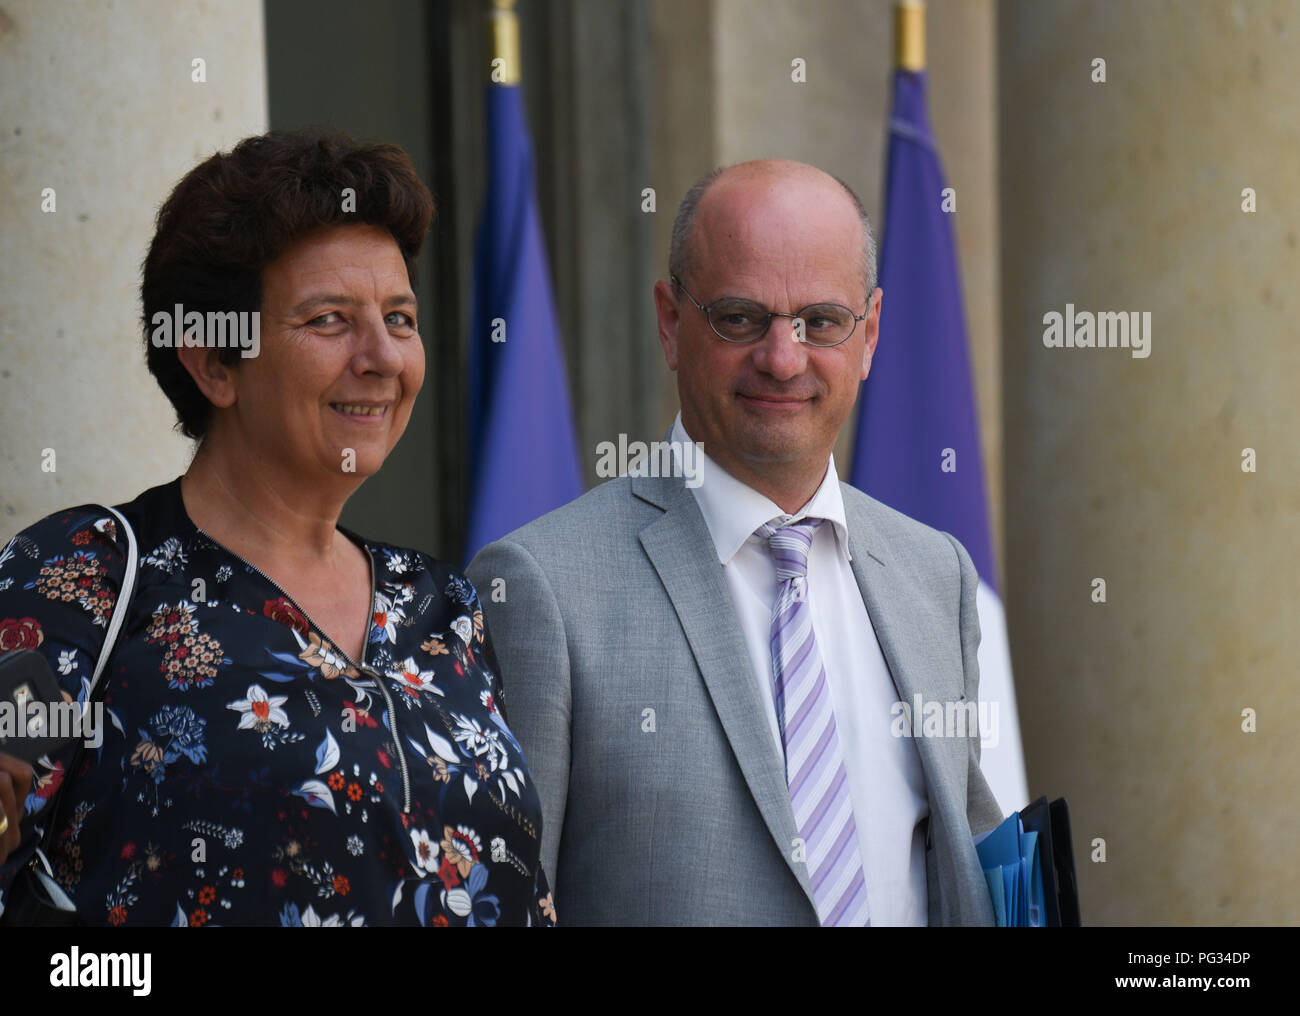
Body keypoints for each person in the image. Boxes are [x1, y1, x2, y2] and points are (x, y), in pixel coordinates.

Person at [0, 129, 553, 927]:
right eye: (330, 320)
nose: (383, 358)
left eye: (400, 318)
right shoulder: (86, 577)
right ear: (213, 363)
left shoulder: (444, 606)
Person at [467, 159, 1003, 926]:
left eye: (821, 321)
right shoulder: (539, 588)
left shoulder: (935, 575)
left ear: (871, 332)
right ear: (669, 323)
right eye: (741, 318)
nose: (783, 359)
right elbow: (510, 906)